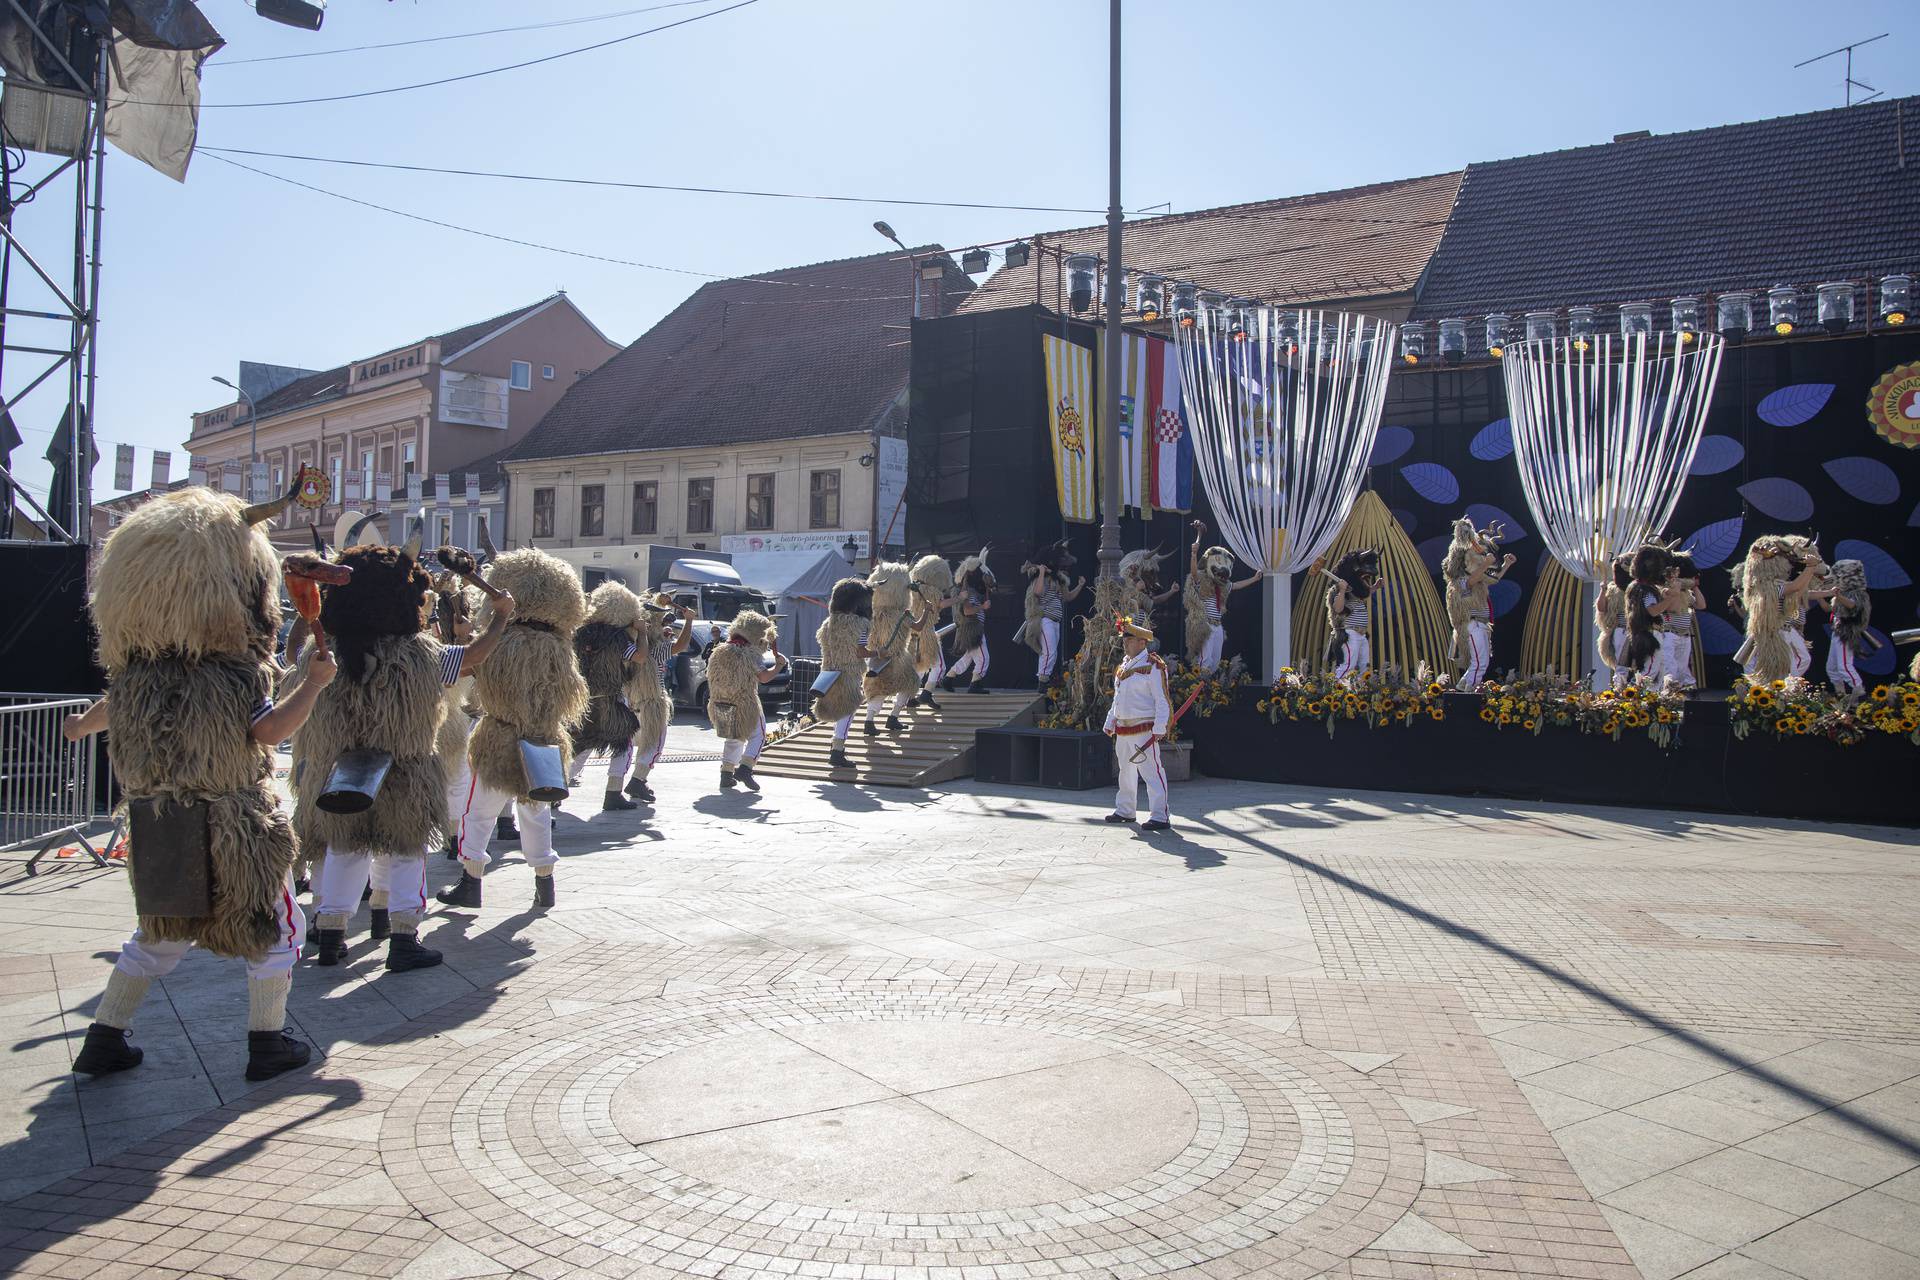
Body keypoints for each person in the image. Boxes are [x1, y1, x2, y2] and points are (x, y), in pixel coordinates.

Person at [67, 485, 323, 1081]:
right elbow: (269, 731)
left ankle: (105, 1038)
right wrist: (311, 685)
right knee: (277, 927)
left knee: (161, 932)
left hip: (160, 820)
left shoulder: (135, 677)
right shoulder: (234, 672)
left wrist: (81, 725)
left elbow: (111, 707)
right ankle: (267, 1042)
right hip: (235, 822)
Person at [297, 535, 513, 970]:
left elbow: (293, 671)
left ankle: (333, 933)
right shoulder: (421, 655)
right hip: (406, 772)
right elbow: (474, 655)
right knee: (406, 851)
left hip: (341, 772)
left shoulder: (322, 653)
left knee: (345, 847)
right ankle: (403, 939)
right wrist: (501, 618)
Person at [438, 548, 588, 912]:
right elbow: (571, 696)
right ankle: (544, 883)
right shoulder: (560, 648)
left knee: (479, 811)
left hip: (500, 736)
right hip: (544, 739)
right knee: (536, 812)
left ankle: (471, 881)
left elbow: (469, 672)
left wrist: (464, 639)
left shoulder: (502, 641)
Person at [569, 581, 645, 812]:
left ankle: (556, 790)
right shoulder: (619, 638)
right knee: (623, 744)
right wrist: (641, 632)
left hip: (582, 700)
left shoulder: (580, 634)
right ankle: (613, 793)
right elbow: (640, 657)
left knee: (580, 745)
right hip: (610, 701)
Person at [1103, 615, 1173, 832]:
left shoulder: (1153, 666)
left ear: (1142, 642)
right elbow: (1118, 697)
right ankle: (1125, 810)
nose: (1125, 642)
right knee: (1125, 770)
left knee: (1151, 771)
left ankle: (1160, 816)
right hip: (1123, 727)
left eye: (1129, 639)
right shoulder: (1123, 666)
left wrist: (1160, 727)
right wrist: (1110, 720)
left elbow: (1162, 700)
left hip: (1144, 726)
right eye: (1124, 639)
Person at [620, 593, 691, 804]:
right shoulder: (655, 650)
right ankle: (638, 780)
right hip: (651, 705)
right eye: (659, 621)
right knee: (653, 745)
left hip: (629, 704)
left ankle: (615, 788)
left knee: (626, 747)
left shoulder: (626, 647)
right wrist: (689, 621)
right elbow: (681, 646)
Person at [707, 609, 786, 790]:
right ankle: (745, 768)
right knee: (758, 734)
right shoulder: (750, 654)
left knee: (734, 737)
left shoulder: (719, 651)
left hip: (722, 702)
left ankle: (726, 774)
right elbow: (764, 677)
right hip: (745, 702)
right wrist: (779, 666)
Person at [1441, 517, 1515, 690]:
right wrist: (1486, 564)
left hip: (1480, 624)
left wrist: (1506, 565)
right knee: (1479, 663)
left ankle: (1461, 688)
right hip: (1472, 624)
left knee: (1481, 662)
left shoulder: (1479, 580)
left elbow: (1493, 579)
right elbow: (1470, 582)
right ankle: (1469, 694)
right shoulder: (1458, 582)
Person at [815, 577, 875, 769]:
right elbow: (860, 651)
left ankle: (836, 748)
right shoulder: (860, 624)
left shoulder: (827, 624)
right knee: (847, 712)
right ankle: (837, 751)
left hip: (829, 674)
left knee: (839, 710)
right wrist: (879, 653)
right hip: (849, 674)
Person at [1184, 520, 1258, 673]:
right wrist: (1193, 554)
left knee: (1216, 659)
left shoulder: (1223, 587)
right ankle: (1200, 685)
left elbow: (1236, 585)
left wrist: (1254, 579)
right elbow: (1193, 573)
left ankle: (1209, 684)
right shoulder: (1202, 582)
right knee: (1206, 659)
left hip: (1218, 625)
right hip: (1206, 625)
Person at [1020, 540, 1085, 685]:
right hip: (1045, 619)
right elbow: (1037, 592)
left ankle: (1045, 678)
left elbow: (1067, 597)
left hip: (1055, 621)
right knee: (1049, 652)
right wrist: (1042, 572)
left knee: (1052, 653)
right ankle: (1042, 680)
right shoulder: (1039, 577)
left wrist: (1080, 585)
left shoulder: (1058, 579)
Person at [1319, 548, 1383, 682]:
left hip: (1361, 634)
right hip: (1349, 633)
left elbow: (1361, 595)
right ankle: (1336, 691)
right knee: (1347, 666)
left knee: (1364, 668)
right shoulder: (1340, 588)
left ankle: (1360, 693)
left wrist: (1374, 588)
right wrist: (1342, 591)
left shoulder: (1354, 589)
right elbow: (1338, 608)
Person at [942, 545, 996, 693]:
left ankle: (948, 678)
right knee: (984, 658)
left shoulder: (968, 591)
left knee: (968, 658)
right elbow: (967, 611)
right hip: (973, 629)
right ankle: (975, 685)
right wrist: (982, 608)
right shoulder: (965, 592)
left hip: (971, 628)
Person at [1655, 551, 1705, 691]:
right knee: (1669, 667)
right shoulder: (1665, 590)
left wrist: (1694, 586)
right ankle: (1667, 693)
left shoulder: (1687, 593)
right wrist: (1675, 587)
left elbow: (1701, 605)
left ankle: (1682, 694)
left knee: (1682, 667)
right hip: (1669, 633)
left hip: (1684, 634)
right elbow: (1671, 607)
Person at [908, 554, 953, 709]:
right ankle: (926, 694)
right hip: (926, 631)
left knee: (920, 665)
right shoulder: (928, 589)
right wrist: (959, 598)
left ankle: (909, 696)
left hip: (913, 631)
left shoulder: (912, 588)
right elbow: (939, 604)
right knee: (939, 665)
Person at [1823, 558, 1872, 695]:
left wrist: (1837, 595)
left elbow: (1853, 606)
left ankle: (1859, 694)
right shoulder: (1841, 594)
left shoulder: (1859, 594)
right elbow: (1829, 609)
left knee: (1844, 666)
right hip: (1837, 630)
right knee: (1831, 668)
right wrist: (1820, 595)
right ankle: (1841, 696)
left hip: (1847, 631)